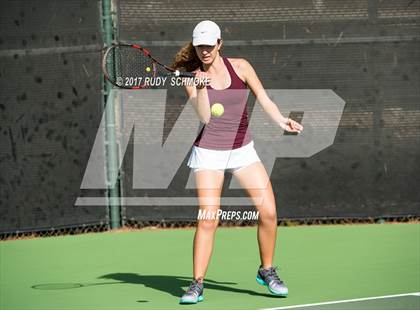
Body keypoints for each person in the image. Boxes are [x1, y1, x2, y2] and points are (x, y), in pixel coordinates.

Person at [171, 20, 303, 304]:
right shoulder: (190, 77)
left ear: (219, 44)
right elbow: (205, 117)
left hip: (242, 149)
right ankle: (196, 284)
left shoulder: (241, 67)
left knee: (268, 210)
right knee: (209, 217)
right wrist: (202, 88)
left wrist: (281, 120)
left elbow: (263, 98)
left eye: (209, 45)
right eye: (200, 45)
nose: (204, 50)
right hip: (209, 153)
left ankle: (266, 270)